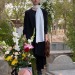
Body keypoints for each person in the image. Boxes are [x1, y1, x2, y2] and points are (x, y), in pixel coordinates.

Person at [23, 0, 48, 75]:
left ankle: (39, 72)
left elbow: (45, 26)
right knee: (30, 56)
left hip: (40, 38)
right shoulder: (28, 12)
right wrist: (24, 38)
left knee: (39, 55)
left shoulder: (44, 12)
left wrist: (46, 36)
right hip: (30, 37)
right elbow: (26, 26)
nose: (35, 0)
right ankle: (30, 72)